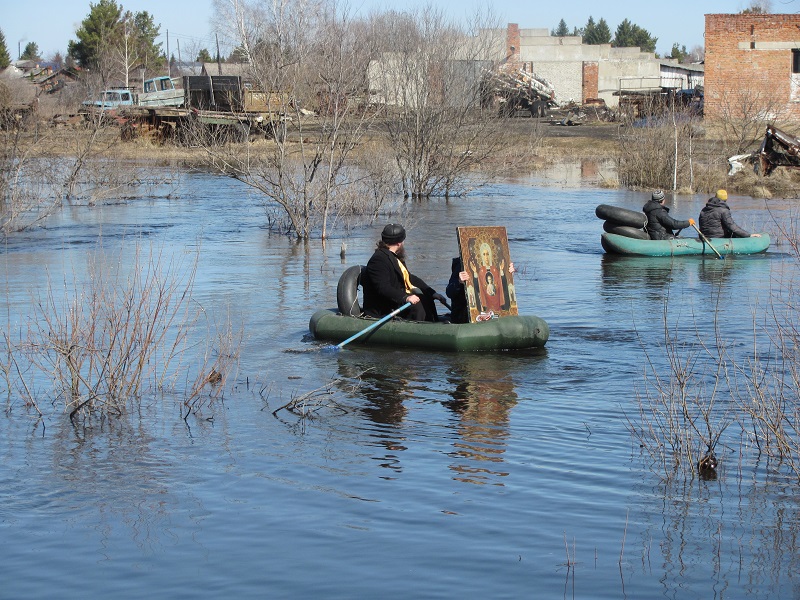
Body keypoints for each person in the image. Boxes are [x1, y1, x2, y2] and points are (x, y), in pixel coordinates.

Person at [361, 223, 445, 322]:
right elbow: (383, 287)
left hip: (395, 300)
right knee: (417, 306)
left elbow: (409, 278)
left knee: (426, 299)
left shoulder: (396, 257)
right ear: (399, 243)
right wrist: (405, 298)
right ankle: (420, 332)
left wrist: (432, 293)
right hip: (383, 307)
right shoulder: (378, 260)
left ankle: (433, 326)